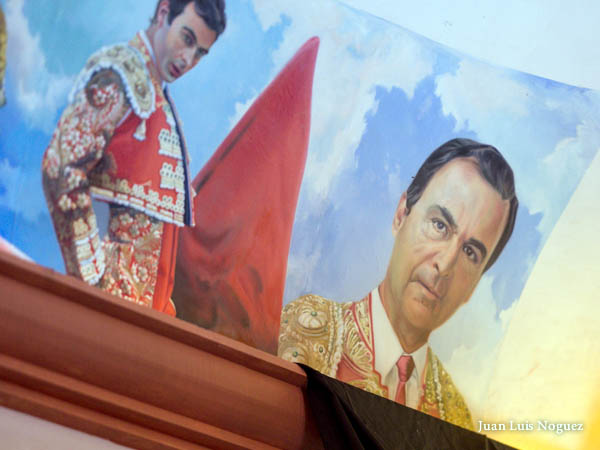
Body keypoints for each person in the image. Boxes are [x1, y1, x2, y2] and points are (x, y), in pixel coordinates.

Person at [278, 138, 518, 430]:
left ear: (475, 284)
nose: (445, 265)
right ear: (401, 215)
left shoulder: (456, 418)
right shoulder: (309, 331)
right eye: (439, 225)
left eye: (470, 252)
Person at [42, 0, 226, 315]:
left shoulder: (156, 92)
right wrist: (92, 278)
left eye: (200, 53)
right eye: (187, 38)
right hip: (109, 307)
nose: (188, 59)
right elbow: (61, 168)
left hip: (140, 312)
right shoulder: (120, 75)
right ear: (164, 12)